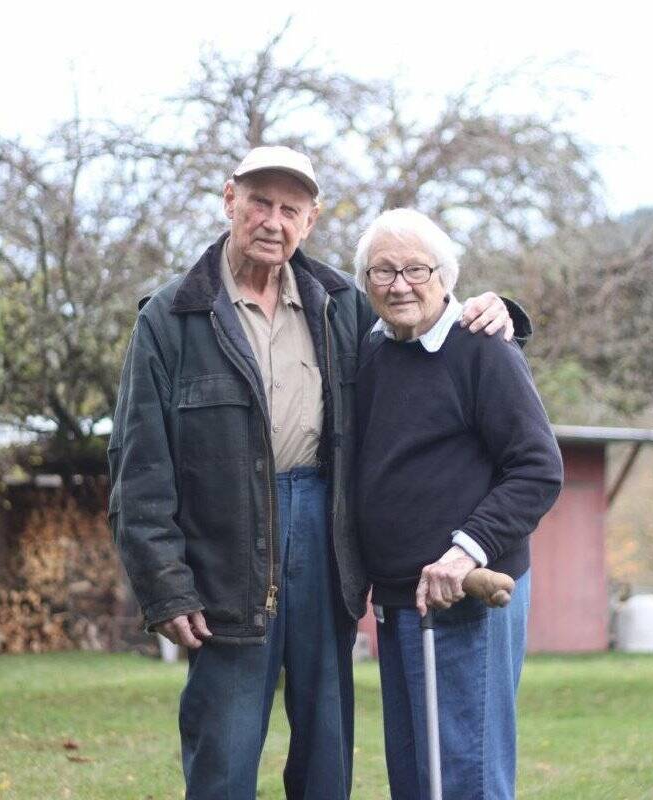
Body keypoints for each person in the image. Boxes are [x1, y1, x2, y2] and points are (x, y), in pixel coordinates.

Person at [108, 146, 525, 800]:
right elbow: (138, 466)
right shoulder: (172, 318)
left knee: (327, 751)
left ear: (310, 219)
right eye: (259, 203)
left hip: (327, 544)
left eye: (290, 209)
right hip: (225, 554)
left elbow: (419, 319)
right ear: (229, 201)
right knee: (224, 743)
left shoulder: (341, 303)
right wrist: (165, 583)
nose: (273, 221)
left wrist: (497, 311)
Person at [354, 208, 564, 800]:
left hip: (465, 596)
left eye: (416, 269)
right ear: (365, 282)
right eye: (383, 271)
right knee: (419, 782)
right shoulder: (370, 352)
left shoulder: (483, 350)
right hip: (397, 602)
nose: (400, 284)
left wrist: (464, 551)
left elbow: (538, 468)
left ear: (446, 276)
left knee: (465, 778)